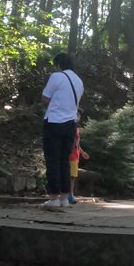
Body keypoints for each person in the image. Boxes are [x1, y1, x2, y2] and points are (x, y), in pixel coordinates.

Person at [40, 52, 84, 209]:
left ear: (58, 64)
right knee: (65, 161)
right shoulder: (79, 81)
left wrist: (55, 102)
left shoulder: (56, 77)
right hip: (70, 125)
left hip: (54, 123)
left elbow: (45, 97)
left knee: (52, 160)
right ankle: (65, 198)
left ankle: (53, 198)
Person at [67, 125, 89, 204]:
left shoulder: (76, 130)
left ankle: (70, 194)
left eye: (78, 115)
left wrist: (82, 153)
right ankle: (64, 194)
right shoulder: (66, 127)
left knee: (72, 176)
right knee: (66, 175)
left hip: (75, 156)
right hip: (67, 155)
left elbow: (77, 144)